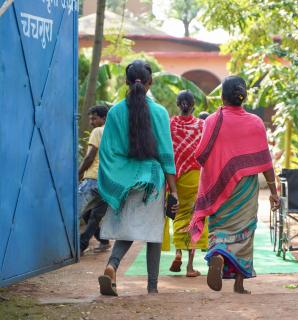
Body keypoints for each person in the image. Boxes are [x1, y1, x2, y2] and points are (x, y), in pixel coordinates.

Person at [189, 76, 281, 294]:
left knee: (219, 228)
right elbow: (266, 161)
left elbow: (201, 154)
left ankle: (219, 254)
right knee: (245, 231)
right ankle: (239, 283)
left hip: (219, 185)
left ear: (222, 96)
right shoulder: (256, 122)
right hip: (246, 187)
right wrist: (274, 192)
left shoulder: (212, 120)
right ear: (244, 96)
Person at [97, 60, 178, 296]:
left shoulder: (114, 112)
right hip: (152, 179)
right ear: (150, 82)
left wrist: (115, 178)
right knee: (153, 233)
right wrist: (173, 191)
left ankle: (112, 265)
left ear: (126, 81)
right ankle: (152, 287)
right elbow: (166, 154)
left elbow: (107, 152)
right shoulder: (160, 112)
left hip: (124, 180)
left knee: (127, 229)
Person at [166, 91, 208, 277]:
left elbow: (165, 151)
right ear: (194, 106)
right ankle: (190, 267)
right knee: (195, 217)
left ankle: (177, 252)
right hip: (195, 176)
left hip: (175, 177)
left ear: (177, 105)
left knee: (178, 214)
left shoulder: (170, 124)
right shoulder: (201, 125)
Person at [77, 105, 111, 255]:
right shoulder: (115, 133)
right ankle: (84, 244)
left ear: (104, 118)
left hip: (93, 179)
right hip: (108, 182)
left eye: (94, 118)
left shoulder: (98, 131)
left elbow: (90, 156)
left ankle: (68, 249)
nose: (91, 121)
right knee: (94, 216)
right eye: (90, 118)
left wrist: (78, 173)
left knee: (74, 212)